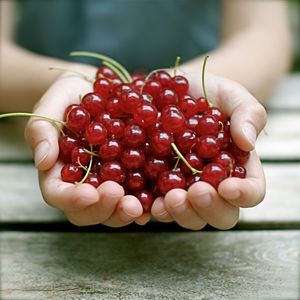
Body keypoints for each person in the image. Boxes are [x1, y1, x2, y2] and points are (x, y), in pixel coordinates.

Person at [0, 1, 292, 229]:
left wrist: (210, 84)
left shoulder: (186, 129)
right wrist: (55, 83)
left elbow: (261, 33)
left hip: (197, 80)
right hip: (48, 101)